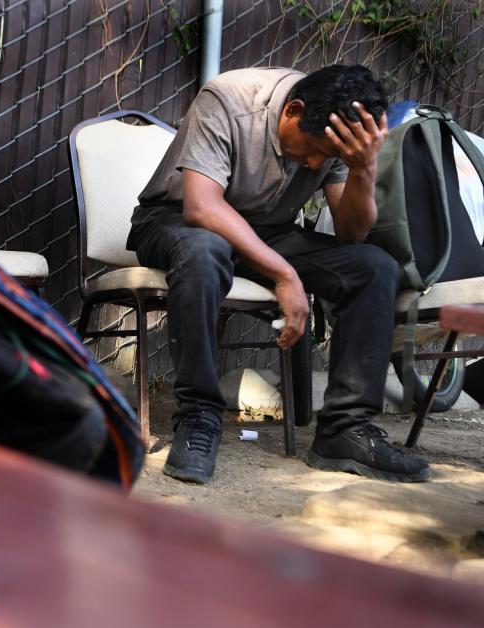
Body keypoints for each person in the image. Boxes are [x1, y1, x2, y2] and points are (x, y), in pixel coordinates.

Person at [126, 65, 430, 485]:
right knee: (205, 248)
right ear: (294, 111)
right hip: (177, 221)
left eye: (328, 159)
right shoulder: (229, 99)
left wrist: (362, 169)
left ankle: (344, 431)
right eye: (311, 150)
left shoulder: (335, 136)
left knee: (373, 266)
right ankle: (199, 416)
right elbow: (201, 206)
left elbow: (351, 232)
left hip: (268, 230)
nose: (313, 163)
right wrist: (286, 274)